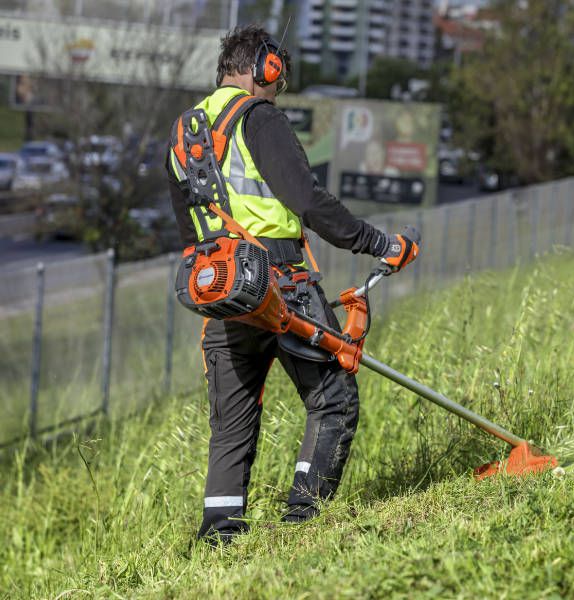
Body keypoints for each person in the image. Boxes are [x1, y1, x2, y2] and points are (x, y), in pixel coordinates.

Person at [165, 25, 419, 544]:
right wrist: (379, 243)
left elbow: (189, 225)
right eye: (276, 77)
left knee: (231, 425)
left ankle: (219, 537)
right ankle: (303, 522)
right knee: (333, 398)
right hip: (282, 285)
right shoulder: (259, 119)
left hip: (223, 289)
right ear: (265, 69)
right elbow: (307, 200)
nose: (278, 88)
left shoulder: (184, 133)